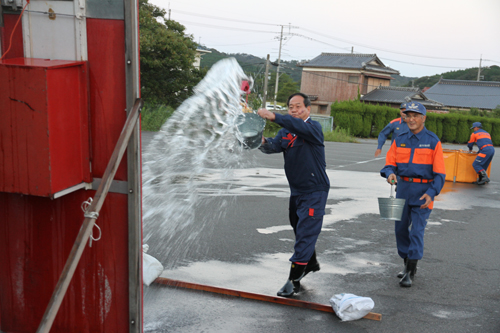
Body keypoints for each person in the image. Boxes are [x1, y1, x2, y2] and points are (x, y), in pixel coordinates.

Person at [257, 92, 330, 297]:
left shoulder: (313, 128)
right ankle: (310, 262)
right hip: (296, 191)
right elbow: (272, 146)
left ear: (308, 108)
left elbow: (297, 126)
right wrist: (260, 140)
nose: (295, 110)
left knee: (306, 234)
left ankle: (294, 280)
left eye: (298, 107)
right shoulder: (286, 132)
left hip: (315, 190)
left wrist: (275, 116)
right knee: (300, 229)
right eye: (291, 107)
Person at [380, 102, 446, 288]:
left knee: (416, 230)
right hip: (402, 189)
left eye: (415, 115)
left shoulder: (433, 141)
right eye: (408, 115)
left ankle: (411, 270)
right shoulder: (399, 138)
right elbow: (389, 164)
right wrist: (390, 173)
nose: (411, 119)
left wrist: (432, 193)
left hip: (423, 193)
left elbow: (440, 173)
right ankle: (406, 262)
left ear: (423, 118)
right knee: (400, 230)